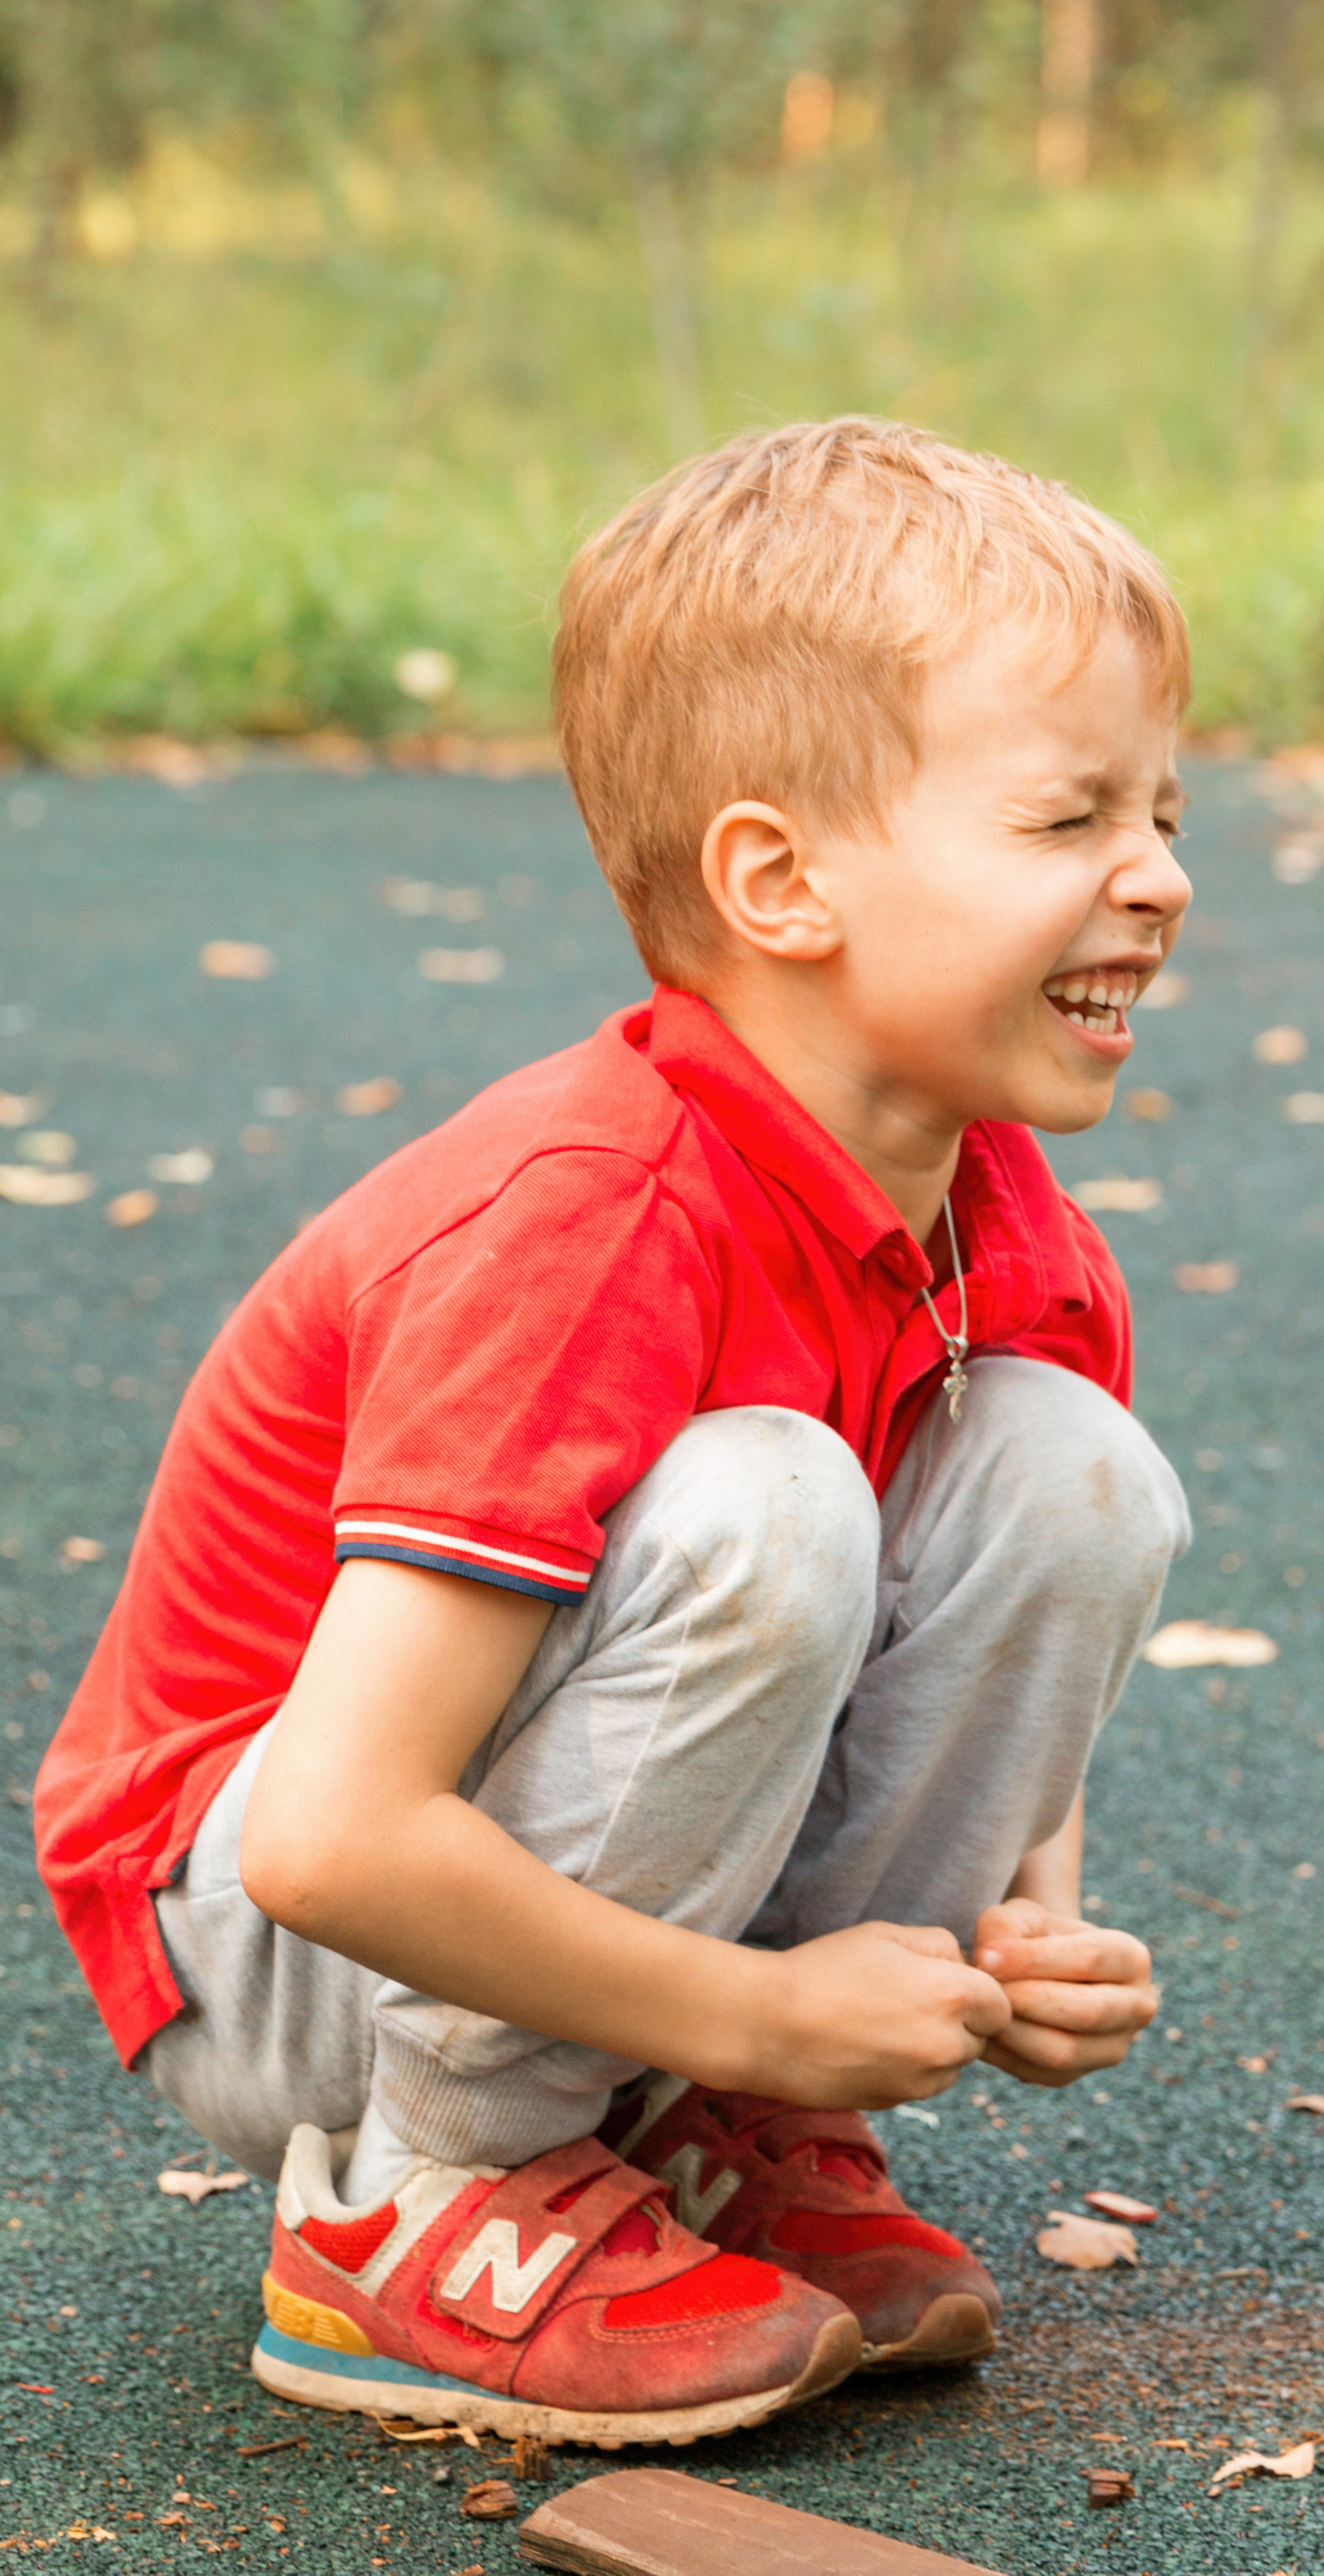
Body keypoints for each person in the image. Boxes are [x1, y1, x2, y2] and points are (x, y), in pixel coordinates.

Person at [36, 417, 1194, 2452]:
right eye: (1064, 821)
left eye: (1166, 814)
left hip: (521, 1875)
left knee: (1069, 1471)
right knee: (771, 1500)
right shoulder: (594, 1222)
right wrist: (764, 1998)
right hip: (270, 1936)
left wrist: (1029, 1918)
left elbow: (1008, 1628)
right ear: (778, 879)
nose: (1160, 879)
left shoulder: (1013, 1228)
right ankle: (428, 2196)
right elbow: (328, 1833)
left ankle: (711, 2134)